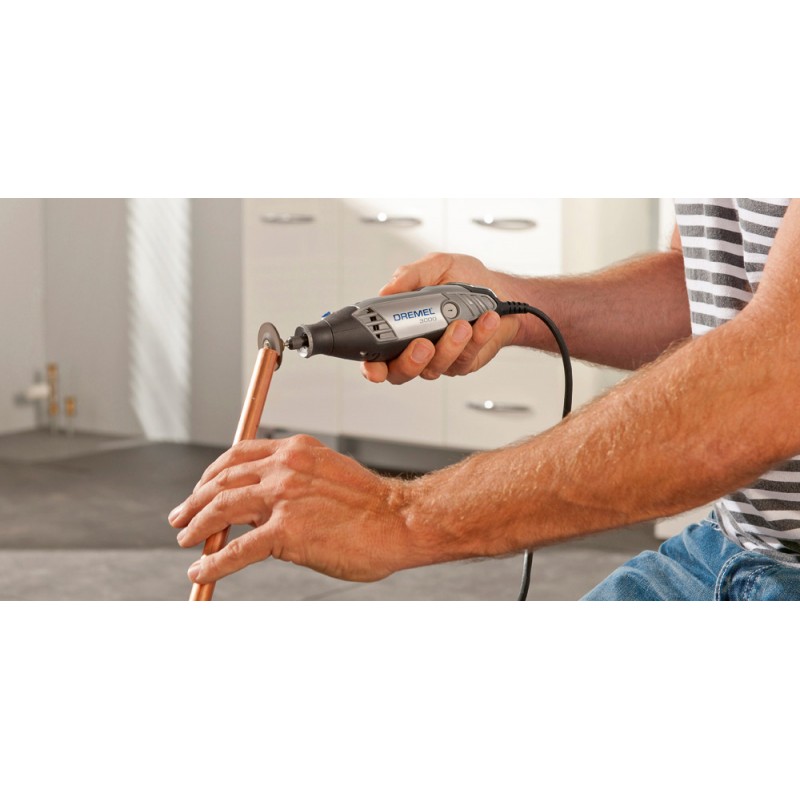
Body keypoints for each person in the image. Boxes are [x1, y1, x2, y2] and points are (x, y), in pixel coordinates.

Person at [168, 198, 800, 600]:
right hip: (733, 548)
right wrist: (509, 308)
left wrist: (399, 514)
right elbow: (708, 294)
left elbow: (776, 377)